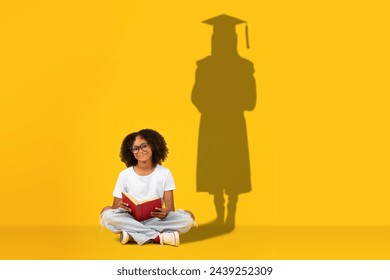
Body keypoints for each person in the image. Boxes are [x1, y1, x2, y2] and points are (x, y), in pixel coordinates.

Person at [100, 129, 195, 246]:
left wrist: (165, 213)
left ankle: (133, 234)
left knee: (188, 218)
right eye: (135, 148)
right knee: (106, 213)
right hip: (130, 218)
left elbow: (170, 208)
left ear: (153, 146)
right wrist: (119, 205)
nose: (140, 151)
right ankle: (158, 237)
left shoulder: (165, 173)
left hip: (155, 220)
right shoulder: (124, 175)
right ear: (131, 151)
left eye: (144, 146)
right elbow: (114, 206)